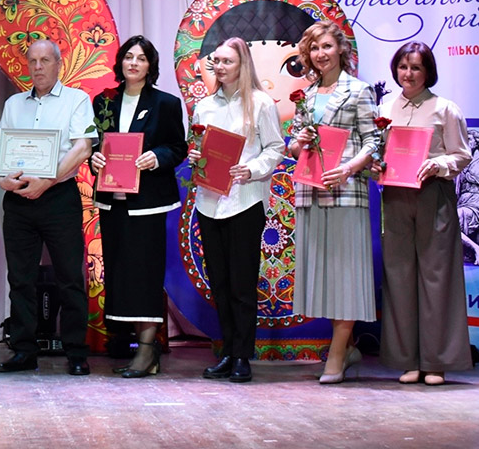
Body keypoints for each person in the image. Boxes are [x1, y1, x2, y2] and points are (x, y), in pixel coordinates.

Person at [0, 39, 96, 376]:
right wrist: (2, 180)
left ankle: (76, 351)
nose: (38, 67)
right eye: (33, 61)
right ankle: (24, 350)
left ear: (58, 64)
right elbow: (0, 147)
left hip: (59, 197)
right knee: (20, 278)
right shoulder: (13, 104)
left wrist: (47, 181)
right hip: (18, 198)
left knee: (69, 277)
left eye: (45, 60)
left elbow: (82, 148)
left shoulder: (77, 100)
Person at [288, 19, 381, 384]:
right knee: (324, 278)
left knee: (346, 276)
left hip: (346, 193)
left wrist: (349, 168)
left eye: (326, 46)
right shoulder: (307, 95)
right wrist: (299, 141)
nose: (320, 54)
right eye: (314, 48)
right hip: (310, 192)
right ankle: (349, 346)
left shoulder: (358, 90)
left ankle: (338, 355)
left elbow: (374, 141)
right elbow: (293, 145)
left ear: (341, 49)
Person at [187, 37, 285, 383]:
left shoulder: (260, 103)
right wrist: (195, 156)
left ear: (243, 64)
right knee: (220, 282)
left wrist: (252, 169)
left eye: (227, 61)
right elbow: (197, 147)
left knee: (242, 284)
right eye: (215, 61)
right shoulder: (204, 107)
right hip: (209, 202)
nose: (219, 67)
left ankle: (243, 355)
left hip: (245, 201)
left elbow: (275, 147)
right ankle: (227, 351)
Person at [89, 36, 187, 379]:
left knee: (144, 274)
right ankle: (136, 346)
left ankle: (147, 349)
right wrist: (94, 157)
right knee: (120, 274)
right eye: (128, 57)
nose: (133, 63)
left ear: (150, 66)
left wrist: (156, 157)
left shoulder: (165, 103)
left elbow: (177, 148)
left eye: (141, 58)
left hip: (147, 204)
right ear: (120, 62)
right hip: (111, 202)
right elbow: (95, 145)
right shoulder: (104, 101)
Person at [375, 43, 472, 386]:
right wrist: (376, 166)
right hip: (395, 195)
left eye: (416, 67)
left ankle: (436, 362)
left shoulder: (445, 109)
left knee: (437, 276)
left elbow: (461, 155)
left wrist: (439, 163)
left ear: (428, 71)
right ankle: (408, 360)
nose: (409, 74)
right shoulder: (386, 107)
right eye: (403, 67)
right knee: (399, 275)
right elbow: (378, 151)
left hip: (434, 194)